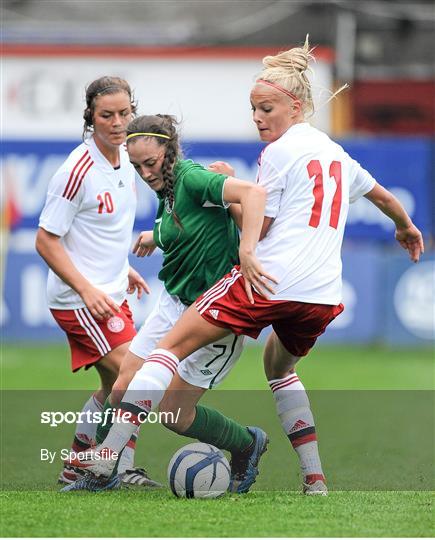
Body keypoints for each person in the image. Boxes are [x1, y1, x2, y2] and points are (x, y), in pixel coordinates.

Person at [68, 38, 424, 496]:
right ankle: (314, 479)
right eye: (253, 109)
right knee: (279, 369)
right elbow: (382, 195)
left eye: (266, 109)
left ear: (294, 106)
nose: (257, 118)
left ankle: (102, 466)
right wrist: (406, 227)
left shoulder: (276, 153)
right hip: (320, 294)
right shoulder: (335, 152)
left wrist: (247, 246)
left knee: (166, 355)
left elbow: (256, 212)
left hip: (267, 280)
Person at [63, 113, 271, 494]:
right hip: (174, 303)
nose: (145, 173)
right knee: (122, 385)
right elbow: (186, 226)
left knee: (174, 415)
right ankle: (109, 473)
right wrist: (154, 236)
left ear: (169, 151)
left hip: (216, 312)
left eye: (151, 163)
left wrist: (247, 249)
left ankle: (246, 444)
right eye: (137, 165)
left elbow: (253, 194)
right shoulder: (167, 191)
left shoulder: (192, 178)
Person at [36, 76, 160, 488]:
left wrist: (121, 267)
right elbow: (46, 240)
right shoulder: (77, 169)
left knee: (114, 385)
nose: (118, 122)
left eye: (125, 113)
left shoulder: (126, 159)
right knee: (136, 377)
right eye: (107, 115)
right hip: (79, 300)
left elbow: (99, 231)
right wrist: (87, 289)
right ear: (91, 116)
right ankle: (117, 468)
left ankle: (78, 464)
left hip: (111, 292)